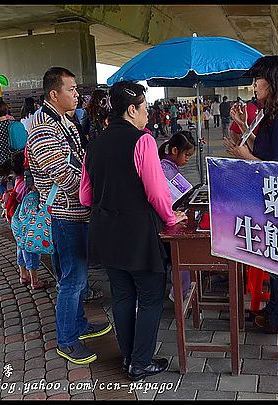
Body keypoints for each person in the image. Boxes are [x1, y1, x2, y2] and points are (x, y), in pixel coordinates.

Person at [79, 81, 188, 381]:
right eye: (144, 109)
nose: (147, 115)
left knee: (123, 295)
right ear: (131, 109)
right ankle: (141, 362)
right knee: (151, 295)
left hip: (106, 232)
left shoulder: (94, 144)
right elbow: (156, 192)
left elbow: (85, 196)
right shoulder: (143, 141)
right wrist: (170, 218)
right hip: (138, 232)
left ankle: (128, 357)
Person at [26, 66, 111, 365]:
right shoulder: (43, 129)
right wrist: (94, 194)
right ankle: (67, 340)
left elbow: (79, 161)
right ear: (54, 93)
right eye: (71, 89)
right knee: (73, 279)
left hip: (75, 210)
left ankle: (78, 325)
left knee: (74, 275)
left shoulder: (65, 121)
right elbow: (62, 173)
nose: (77, 95)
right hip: (66, 213)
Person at [223, 55, 278, 334]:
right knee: (275, 257)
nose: (254, 85)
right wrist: (243, 131)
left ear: (272, 82)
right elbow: (267, 153)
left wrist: (245, 156)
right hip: (276, 197)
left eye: (257, 79)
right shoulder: (275, 114)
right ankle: (275, 310)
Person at [157, 131, 196, 302]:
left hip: (169, 216)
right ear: (174, 150)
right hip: (165, 220)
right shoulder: (164, 168)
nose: (188, 159)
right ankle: (178, 294)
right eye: (186, 155)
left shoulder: (168, 165)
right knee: (182, 254)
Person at [7, 152, 50, 290]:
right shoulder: (27, 186)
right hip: (28, 223)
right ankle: (34, 280)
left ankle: (23, 274)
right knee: (30, 250)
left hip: (17, 221)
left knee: (20, 247)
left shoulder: (17, 181)